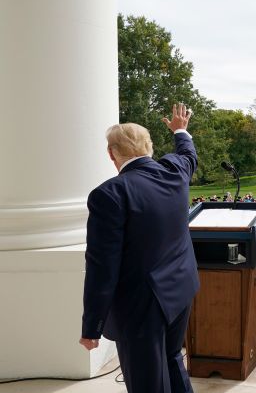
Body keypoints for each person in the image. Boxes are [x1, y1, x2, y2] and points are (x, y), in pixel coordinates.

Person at [80, 103, 198, 393]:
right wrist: (180, 129)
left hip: (141, 305)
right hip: (180, 290)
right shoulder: (176, 172)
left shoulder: (110, 194)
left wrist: (91, 326)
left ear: (112, 154)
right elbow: (188, 154)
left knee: (146, 380)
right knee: (172, 359)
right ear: (150, 148)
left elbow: (102, 266)